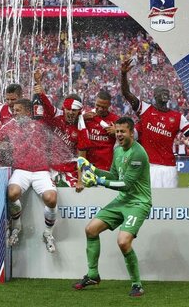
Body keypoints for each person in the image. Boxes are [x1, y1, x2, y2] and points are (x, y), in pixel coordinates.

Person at [73, 116, 151, 298]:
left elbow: (126, 184)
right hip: (122, 200)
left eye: (123, 131)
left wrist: (98, 181)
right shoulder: (117, 150)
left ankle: (137, 284)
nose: (119, 135)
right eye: (117, 131)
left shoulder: (138, 153)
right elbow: (115, 176)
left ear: (131, 133)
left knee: (123, 242)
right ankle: (93, 275)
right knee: (91, 230)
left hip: (138, 202)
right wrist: (93, 169)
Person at [120, 59, 189, 188]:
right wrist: (123, 74)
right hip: (148, 165)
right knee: (149, 198)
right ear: (155, 95)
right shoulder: (145, 109)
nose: (165, 93)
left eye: (167, 92)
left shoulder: (177, 117)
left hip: (169, 167)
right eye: (162, 91)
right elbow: (127, 93)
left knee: (169, 198)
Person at [0, 98, 58, 253]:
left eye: (18, 110)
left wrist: (40, 93)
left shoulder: (41, 124)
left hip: (41, 171)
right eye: (13, 110)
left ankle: (48, 233)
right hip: (21, 170)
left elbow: (51, 112)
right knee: (12, 193)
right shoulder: (9, 126)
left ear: (28, 112)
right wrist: (0, 144)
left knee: (51, 199)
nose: (14, 113)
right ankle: (17, 225)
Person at [32, 70, 83, 189]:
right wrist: (38, 83)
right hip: (51, 167)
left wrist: (80, 179)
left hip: (70, 169)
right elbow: (48, 106)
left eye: (74, 110)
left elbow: (82, 156)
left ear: (79, 111)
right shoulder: (57, 116)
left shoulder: (82, 126)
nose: (70, 113)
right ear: (64, 108)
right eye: (68, 109)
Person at [77, 90, 120, 175]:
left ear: (109, 105)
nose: (100, 109)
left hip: (106, 167)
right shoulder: (87, 116)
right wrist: (81, 118)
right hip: (88, 165)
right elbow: (71, 128)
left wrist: (117, 132)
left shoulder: (115, 120)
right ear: (95, 102)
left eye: (104, 107)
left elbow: (128, 137)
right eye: (98, 105)